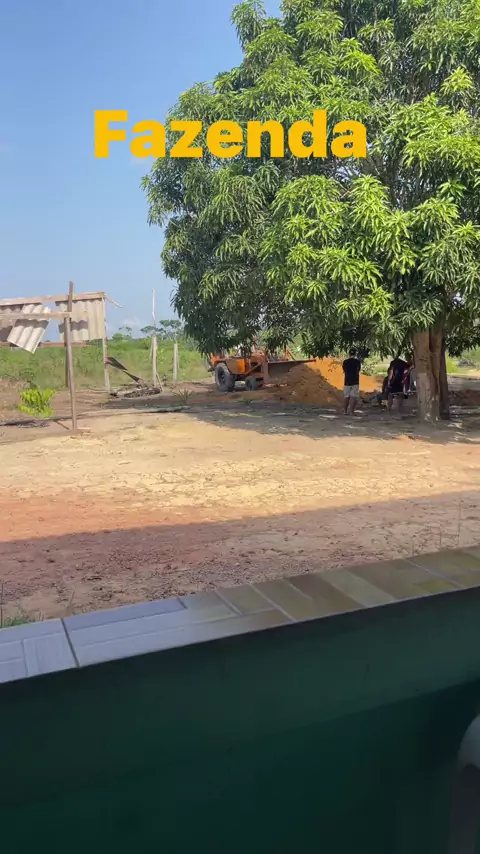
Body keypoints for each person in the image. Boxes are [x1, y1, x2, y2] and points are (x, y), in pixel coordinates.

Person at [342, 348, 361, 414]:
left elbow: (344, 370)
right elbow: (358, 370)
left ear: (349, 354)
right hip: (355, 380)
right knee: (353, 396)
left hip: (347, 380)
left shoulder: (345, 362)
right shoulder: (358, 361)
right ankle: (351, 412)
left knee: (346, 396)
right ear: (355, 354)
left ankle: (345, 411)